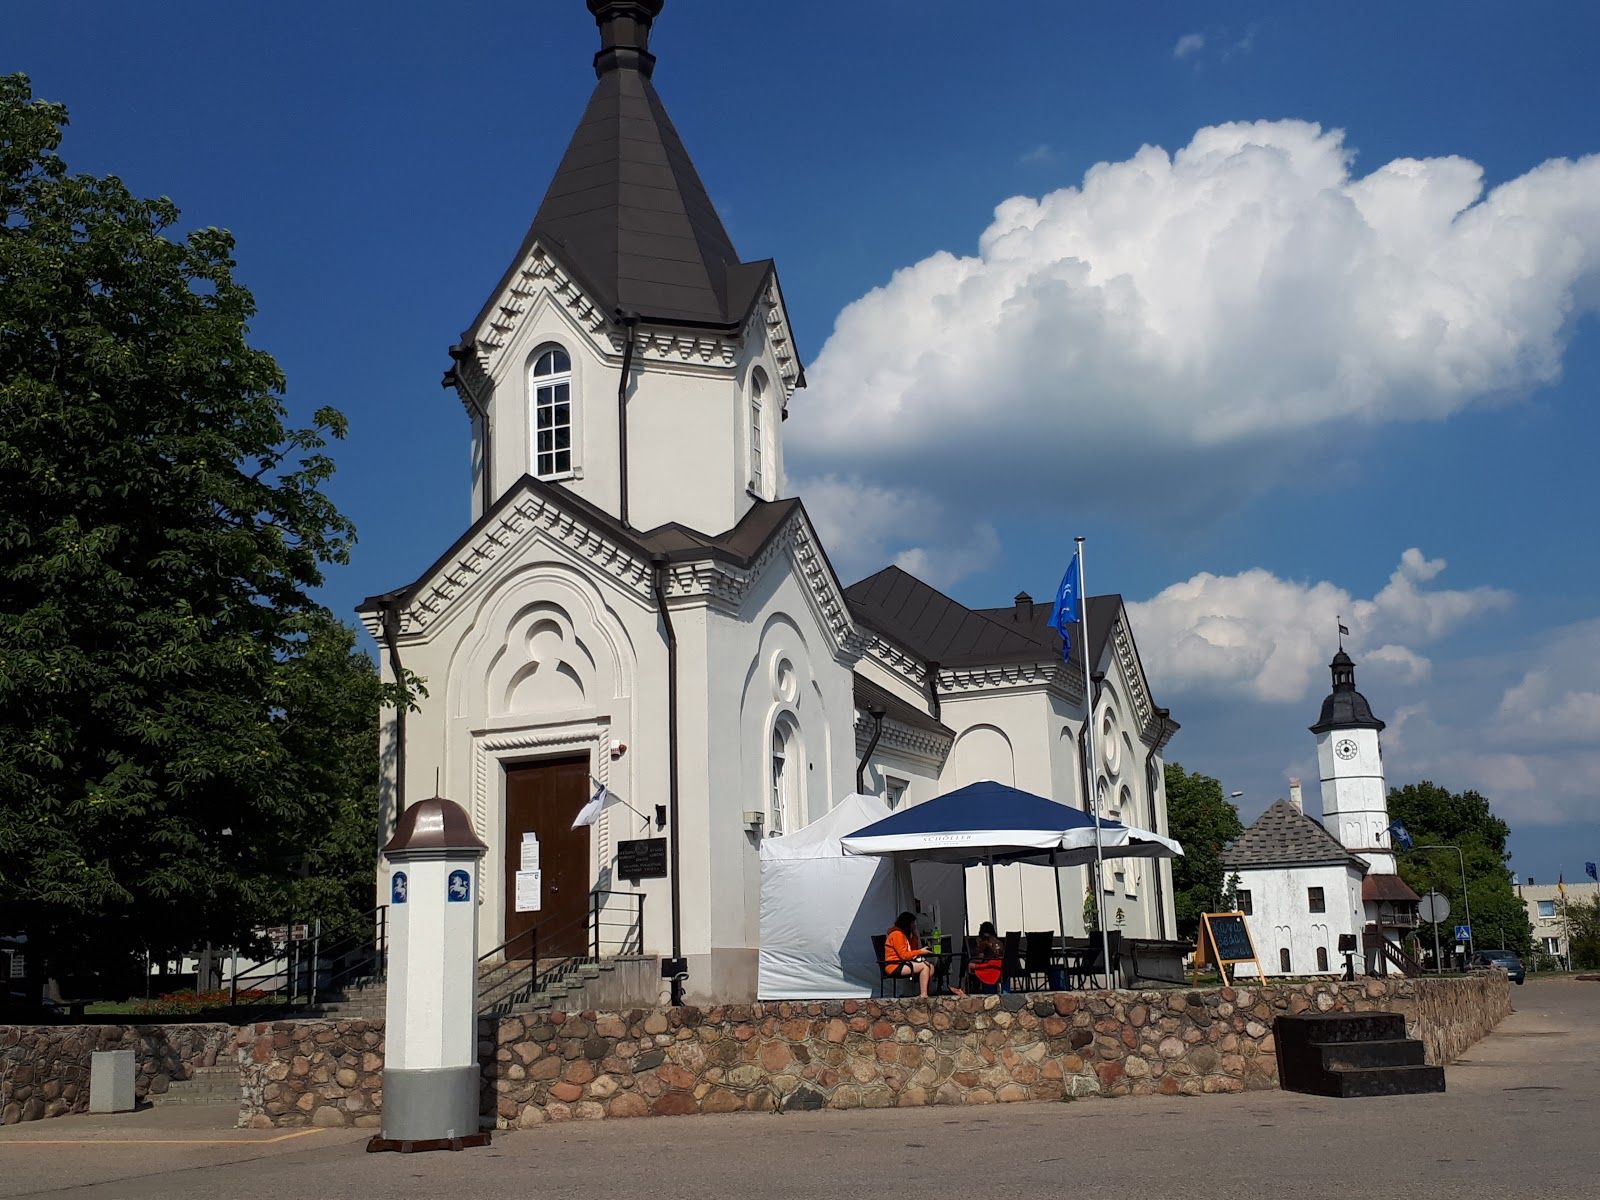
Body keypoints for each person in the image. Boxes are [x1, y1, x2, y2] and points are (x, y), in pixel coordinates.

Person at [883, 911, 936, 997]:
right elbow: (904, 955)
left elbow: (912, 950)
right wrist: (921, 951)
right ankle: (923, 994)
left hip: (903, 963)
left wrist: (914, 936)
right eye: (913, 923)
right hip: (895, 965)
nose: (914, 925)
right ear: (907, 923)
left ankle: (925, 990)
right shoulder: (897, 934)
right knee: (924, 966)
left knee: (931, 966)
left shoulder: (905, 935)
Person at [967, 921, 1004, 994]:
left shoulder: (988, 942)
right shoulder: (998, 942)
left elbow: (981, 957)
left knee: (971, 965)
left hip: (990, 965)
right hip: (999, 965)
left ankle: (976, 990)